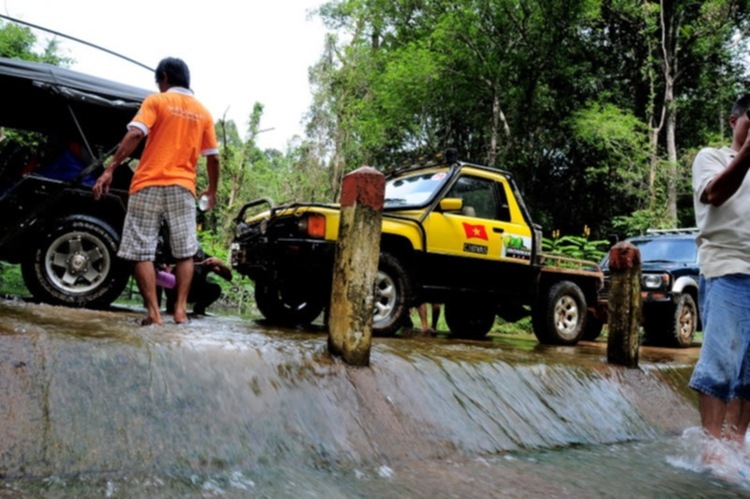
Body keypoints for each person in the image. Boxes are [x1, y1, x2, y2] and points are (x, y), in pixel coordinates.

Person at [92, 57, 219, 326]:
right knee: (185, 251)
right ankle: (181, 311)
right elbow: (213, 158)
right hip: (183, 187)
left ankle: (153, 313)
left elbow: (136, 134)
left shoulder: (156, 102)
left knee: (141, 250)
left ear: (164, 76)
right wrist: (213, 189)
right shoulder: (203, 113)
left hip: (147, 183)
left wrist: (110, 168)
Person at [690, 94, 750, 467]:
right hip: (726, 267)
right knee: (721, 363)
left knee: (749, 371)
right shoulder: (711, 157)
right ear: (734, 121)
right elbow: (714, 194)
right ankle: (711, 448)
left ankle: (736, 443)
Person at [164, 247, 232, 316]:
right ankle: (171, 308)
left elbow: (228, 277)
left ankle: (199, 309)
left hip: (195, 291)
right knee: (168, 281)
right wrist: (167, 270)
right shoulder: (176, 257)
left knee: (215, 289)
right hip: (176, 290)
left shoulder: (206, 260)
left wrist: (220, 264)